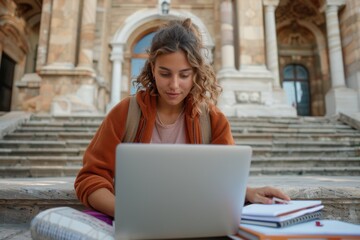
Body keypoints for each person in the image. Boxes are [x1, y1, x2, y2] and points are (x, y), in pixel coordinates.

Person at [74, 18, 290, 224]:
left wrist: (248, 193)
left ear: (196, 73)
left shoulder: (214, 120)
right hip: (135, 225)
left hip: (195, 223)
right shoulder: (124, 113)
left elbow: (223, 183)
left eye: (184, 75)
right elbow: (91, 178)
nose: (174, 85)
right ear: (152, 69)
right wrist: (129, 213)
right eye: (165, 73)